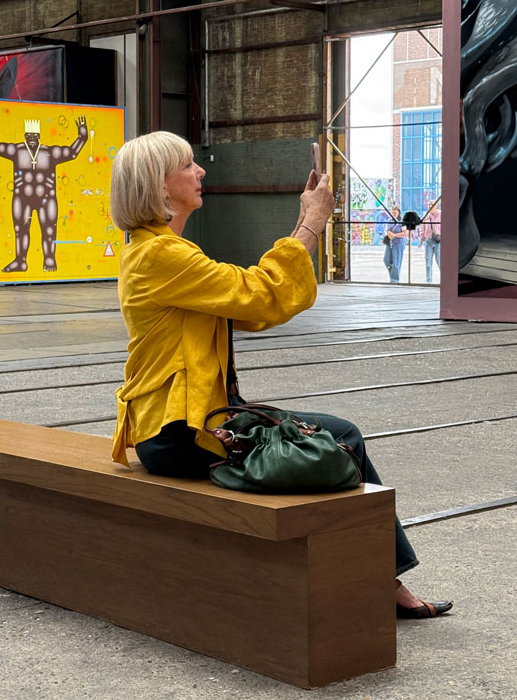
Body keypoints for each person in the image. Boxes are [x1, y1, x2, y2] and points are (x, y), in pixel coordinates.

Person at [109, 131, 452, 620]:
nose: (201, 171)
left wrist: (301, 224)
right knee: (340, 438)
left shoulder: (161, 251)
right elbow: (259, 294)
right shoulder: (161, 256)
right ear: (160, 188)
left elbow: (251, 305)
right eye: (189, 165)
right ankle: (378, 579)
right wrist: (312, 221)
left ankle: (377, 575)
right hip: (179, 434)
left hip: (179, 425)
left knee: (333, 437)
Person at [0, 110, 88, 273]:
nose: (32, 139)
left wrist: (82, 137)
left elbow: (72, 152)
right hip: (22, 197)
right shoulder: (17, 151)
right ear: (25, 137)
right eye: (29, 136)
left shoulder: (49, 152)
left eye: (34, 136)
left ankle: (49, 258)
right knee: (21, 230)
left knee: (49, 229)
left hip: (46, 197)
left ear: (39, 137)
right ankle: (20, 261)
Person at [419, 199, 441, 283]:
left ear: (436, 206)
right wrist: (421, 240)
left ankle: (445, 280)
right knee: (428, 262)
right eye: (429, 204)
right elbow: (423, 228)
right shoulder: (426, 215)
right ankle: (429, 281)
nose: (430, 206)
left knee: (439, 261)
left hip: (438, 240)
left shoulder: (440, 214)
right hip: (428, 240)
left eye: (432, 204)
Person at [384, 206, 407, 283]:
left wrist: (394, 235)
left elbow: (405, 233)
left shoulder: (402, 221)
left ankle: (394, 280)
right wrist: (388, 233)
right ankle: (393, 275)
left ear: (399, 213)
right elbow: (386, 230)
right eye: (392, 212)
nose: (393, 214)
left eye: (395, 213)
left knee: (396, 261)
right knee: (386, 260)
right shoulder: (389, 220)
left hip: (399, 242)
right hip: (390, 242)